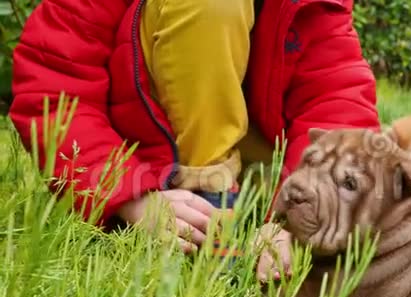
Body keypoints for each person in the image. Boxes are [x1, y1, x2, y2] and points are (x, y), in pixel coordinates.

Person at [8, 0, 381, 255]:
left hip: (253, 167)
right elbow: (56, 84)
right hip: (142, 155)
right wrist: (128, 195)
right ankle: (208, 198)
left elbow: (337, 105)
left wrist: (294, 221)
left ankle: (243, 206)